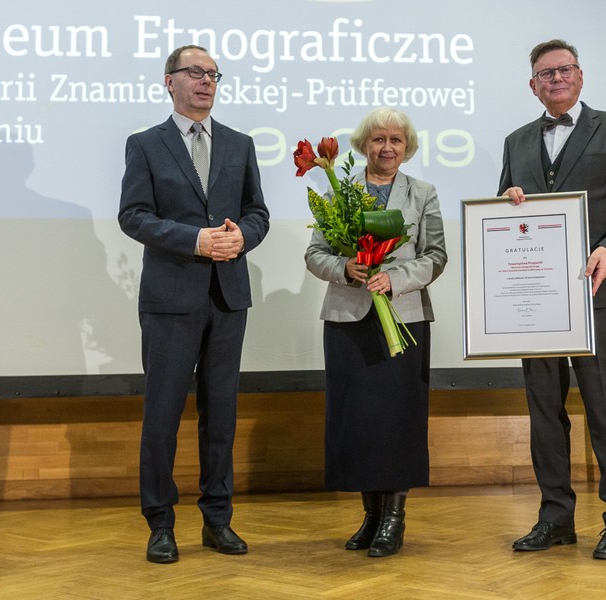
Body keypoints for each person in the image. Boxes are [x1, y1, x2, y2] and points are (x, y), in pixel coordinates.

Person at [498, 39, 606, 560]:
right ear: (533, 85)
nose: (557, 79)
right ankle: (555, 517)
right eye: (546, 73)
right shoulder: (516, 141)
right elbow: (502, 216)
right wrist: (506, 205)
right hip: (534, 302)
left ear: (581, 76)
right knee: (544, 412)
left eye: (565, 70)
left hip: (595, 293)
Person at [118, 45, 270, 563]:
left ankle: (217, 521)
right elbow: (133, 216)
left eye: (213, 75)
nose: (206, 81)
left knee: (220, 415)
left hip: (228, 298)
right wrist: (196, 240)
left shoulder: (240, 143)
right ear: (169, 81)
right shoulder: (145, 144)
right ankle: (160, 524)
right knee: (162, 416)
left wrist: (241, 238)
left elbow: (258, 212)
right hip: (170, 299)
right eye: (195, 73)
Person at [304, 107, 447, 557]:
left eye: (396, 140)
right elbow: (314, 254)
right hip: (349, 320)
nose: (387, 147)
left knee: (399, 420)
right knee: (358, 422)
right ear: (364, 144)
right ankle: (370, 515)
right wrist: (345, 268)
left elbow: (437, 255)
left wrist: (396, 279)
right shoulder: (339, 190)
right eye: (379, 139)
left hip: (404, 319)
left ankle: (394, 518)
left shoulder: (423, 192)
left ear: (407, 147)